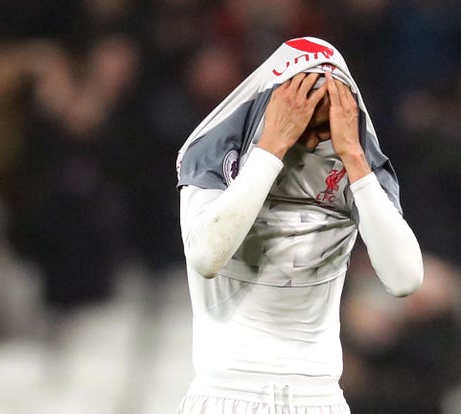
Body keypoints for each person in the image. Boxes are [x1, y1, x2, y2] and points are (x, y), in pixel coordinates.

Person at [176, 37, 424, 414]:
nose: (314, 137)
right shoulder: (215, 148)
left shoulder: (359, 167)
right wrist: (272, 146)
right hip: (226, 390)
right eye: (302, 109)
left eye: (328, 118)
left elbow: (405, 279)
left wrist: (355, 160)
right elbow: (206, 256)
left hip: (319, 397)